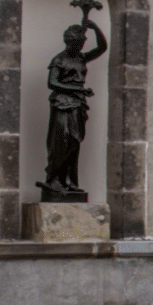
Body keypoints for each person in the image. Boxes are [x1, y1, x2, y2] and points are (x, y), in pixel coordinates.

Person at [42, 19, 107, 194]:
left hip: (78, 104)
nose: (80, 47)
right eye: (77, 43)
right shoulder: (59, 59)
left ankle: (69, 182)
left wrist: (95, 28)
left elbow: (102, 48)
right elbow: (52, 82)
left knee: (74, 142)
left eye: (82, 44)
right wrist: (78, 89)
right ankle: (54, 179)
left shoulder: (81, 58)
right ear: (69, 42)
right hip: (62, 103)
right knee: (61, 140)